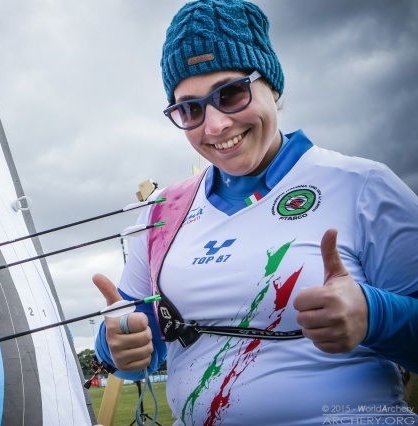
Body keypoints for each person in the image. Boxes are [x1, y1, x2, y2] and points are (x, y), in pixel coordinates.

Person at [92, 0, 418, 424]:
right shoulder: (163, 211)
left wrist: (375, 315)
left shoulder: (362, 185)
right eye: (190, 109)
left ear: (272, 86)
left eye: (230, 93)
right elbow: (134, 337)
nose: (214, 126)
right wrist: (114, 346)